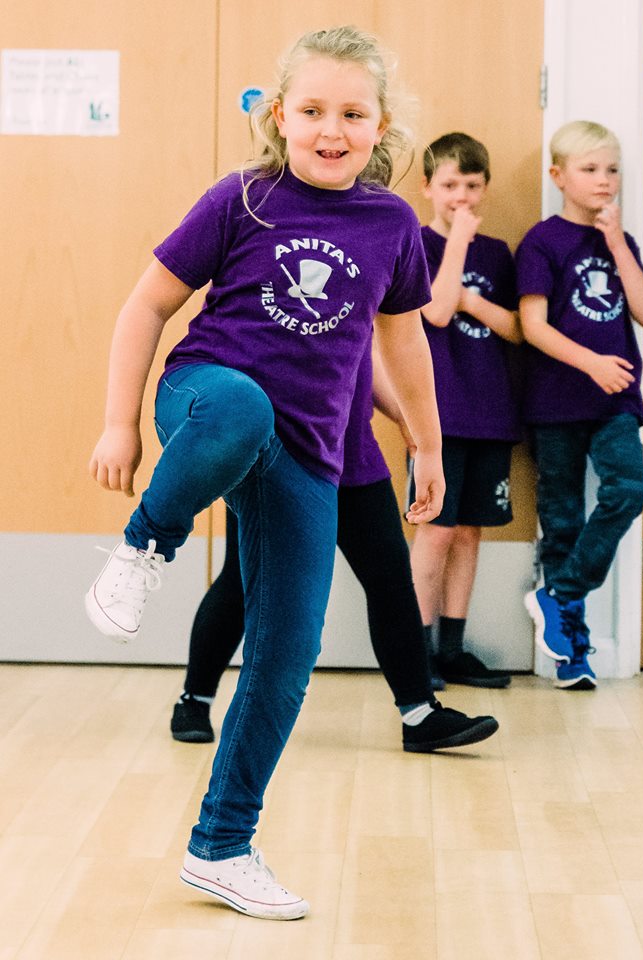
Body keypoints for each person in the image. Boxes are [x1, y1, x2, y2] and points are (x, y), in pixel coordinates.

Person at [84, 25, 445, 922]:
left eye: (353, 114)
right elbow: (146, 305)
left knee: (286, 657)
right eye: (314, 110)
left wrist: (429, 446)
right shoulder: (241, 199)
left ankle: (222, 847)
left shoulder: (392, 225)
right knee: (241, 407)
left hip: (311, 452)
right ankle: (141, 550)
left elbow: (403, 345)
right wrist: (119, 424)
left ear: (380, 125)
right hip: (205, 400)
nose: (333, 129)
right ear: (280, 116)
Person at [171, 340, 499, 753]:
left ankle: (420, 715)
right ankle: (194, 700)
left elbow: (369, 352)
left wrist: (406, 415)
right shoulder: (254, 278)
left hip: (352, 455)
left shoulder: (364, 276)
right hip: (274, 458)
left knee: (391, 582)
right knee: (240, 582)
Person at [516, 120, 643, 690]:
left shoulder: (620, 242)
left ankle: (559, 595)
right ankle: (571, 654)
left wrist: (619, 242)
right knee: (563, 523)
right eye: (591, 169)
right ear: (559, 177)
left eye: (613, 169)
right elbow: (532, 327)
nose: (605, 180)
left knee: (628, 490)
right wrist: (592, 363)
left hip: (615, 403)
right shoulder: (541, 241)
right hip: (555, 403)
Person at [408, 132, 522, 688]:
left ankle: (452, 648)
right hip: (438, 418)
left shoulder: (499, 254)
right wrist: (457, 242)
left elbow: (518, 329)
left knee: (470, 532)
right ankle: (417, 651)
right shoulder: (418, 244)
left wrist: (478, 300)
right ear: (427, 187)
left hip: (491, 412)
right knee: (435, 532)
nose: (460, 197)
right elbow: (436, 311)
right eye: (449, 185)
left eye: (471, 186)